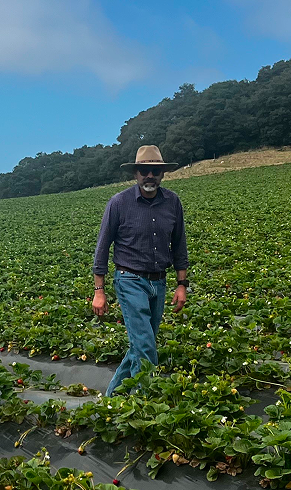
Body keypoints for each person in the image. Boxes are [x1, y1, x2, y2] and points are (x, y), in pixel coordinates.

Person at [92, 145, 189, 396]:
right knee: (145, 345)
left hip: (159, 282)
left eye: (155, 171)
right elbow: (102, 248)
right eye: (144, 170)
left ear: (162, 175)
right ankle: (145, 405)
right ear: (135, 173)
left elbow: (179, 246)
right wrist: (99, 290)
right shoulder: (119, 203)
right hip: (129, 279)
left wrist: (182, 284)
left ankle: (111, 399)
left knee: (141, 345)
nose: (150, 176)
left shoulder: (172, 202)